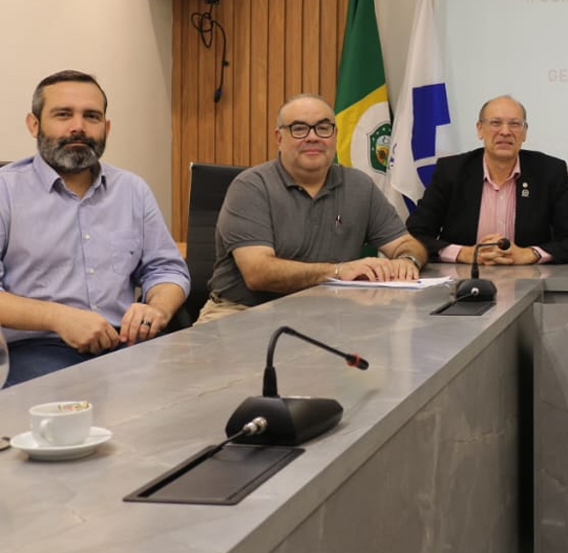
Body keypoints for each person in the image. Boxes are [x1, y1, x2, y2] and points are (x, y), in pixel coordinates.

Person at [0, 71, 189, 386]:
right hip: (37, 348)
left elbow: (167, 269)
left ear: (106, 128)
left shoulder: (132, 189)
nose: (78, 126)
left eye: (91, 116)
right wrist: (60, 318)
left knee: (195, 393)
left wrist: (156, 308)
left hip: (126, 342)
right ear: (34, 124)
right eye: (63, 114)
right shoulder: (5, 191)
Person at [199, 94, 428, 322]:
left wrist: (408, 261)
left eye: (323, 128)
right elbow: (258, 272)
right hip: (243, 311)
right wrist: (337, 271)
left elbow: (406, 244)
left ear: (335, 135)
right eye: (299, 129)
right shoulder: (251, 187)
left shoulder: (359, 186)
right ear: (279, 138)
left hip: (330, 313)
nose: (313, 137)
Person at [406, 95, 568, 265]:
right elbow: (414, 235)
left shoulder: (549, 172)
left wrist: (530, 254)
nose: (505, 131)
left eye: (515, 124)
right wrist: (463, 253)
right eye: (495, 123)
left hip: (529, 280)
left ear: (525, 132)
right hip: (462, 279)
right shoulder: (451, 171)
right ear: (480, 129)